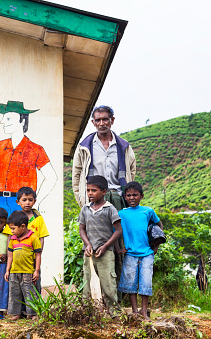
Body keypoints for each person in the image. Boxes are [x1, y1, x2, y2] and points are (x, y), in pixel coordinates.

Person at [72, 105, 136, 300]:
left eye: (105, 119)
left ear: (112, 121)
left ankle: (118, 296)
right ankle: (93, 296)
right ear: (93, 122)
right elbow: (76, 176)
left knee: (119, 245)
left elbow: (131, 172)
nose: (101, 123)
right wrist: (83, 201)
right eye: (97, 120)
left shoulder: (123, 146)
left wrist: (126, 198)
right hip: (93, 200)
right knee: (93, 244)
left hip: (117, 198)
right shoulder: (85, 146)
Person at [118, 181, 163, 320]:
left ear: (141, 196)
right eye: (129, 195)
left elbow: (159, 226)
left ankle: (144, 311)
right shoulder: (121, 214)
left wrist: (156, 247)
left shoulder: (148, 211)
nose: (132, 198)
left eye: (135, 195)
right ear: (125, 197)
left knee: (145, 282)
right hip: (130, 254)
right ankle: (135, 311)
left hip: (147, 254)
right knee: (130, 283)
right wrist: (119, 248)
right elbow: (116, 232)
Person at [78, 175, 123, 317]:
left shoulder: (110, 209)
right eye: (88, 190)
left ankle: (114, 313)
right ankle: (88, 312)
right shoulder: (85, 209)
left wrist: (105, 246)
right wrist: (88, 244)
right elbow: (82, 229)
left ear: (104, 192)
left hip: (106, 253)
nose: (90, 193)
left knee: (108, 285)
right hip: (89, 254)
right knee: (87, 284)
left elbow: (118, 230)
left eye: (94, 190)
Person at [4, 210, 42, 320]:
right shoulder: (12, 239)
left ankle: (33, 314)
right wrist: (8, 270)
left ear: (23, 226)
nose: (11, 231)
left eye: (13, 229)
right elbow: (10, 255)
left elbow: (38, 255)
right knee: (14, 293)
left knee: (29, 292)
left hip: (28, 272)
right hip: (14, 272)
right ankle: (16, 313)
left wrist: (36, 270)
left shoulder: (33, 238)